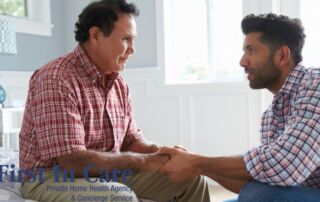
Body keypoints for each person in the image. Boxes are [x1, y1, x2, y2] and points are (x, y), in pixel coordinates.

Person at [19, 0, 210, 201]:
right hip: (50, 177)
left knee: (191, 178)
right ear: (95, 36)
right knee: (118, 197)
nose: (133, 49)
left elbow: (131, 141)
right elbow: (71, 162)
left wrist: (164, 153)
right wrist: (145, 162)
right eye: (126, 39)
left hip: (108, 171)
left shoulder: (118, 83)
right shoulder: (56, 78)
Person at [159, 13, 320, 202]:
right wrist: (199, 166)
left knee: (262, 195)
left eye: (251, 51)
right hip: (298, 194)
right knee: (257, 193)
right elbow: (260, 181)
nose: (242, 62)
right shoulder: (271, 115)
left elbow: (285, 164)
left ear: (282, 56)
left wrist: (198, 161)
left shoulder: (315, 85)